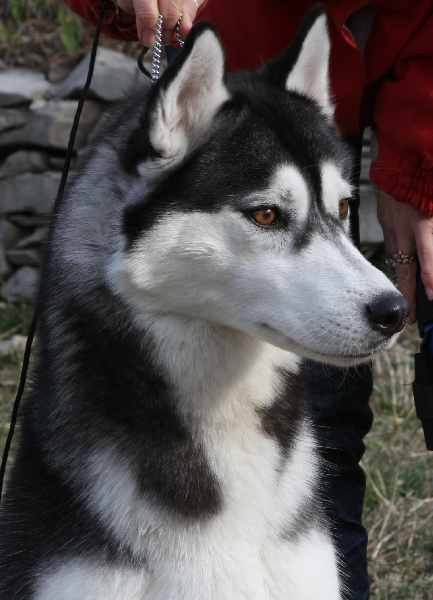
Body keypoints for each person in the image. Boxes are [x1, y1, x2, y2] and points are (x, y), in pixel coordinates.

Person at [64, 1, 433, 597]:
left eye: (343, 210)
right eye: (267, 217)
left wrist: (419, 164)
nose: (376, 292)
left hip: (366, 82)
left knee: (328, 438)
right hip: (207, 97)